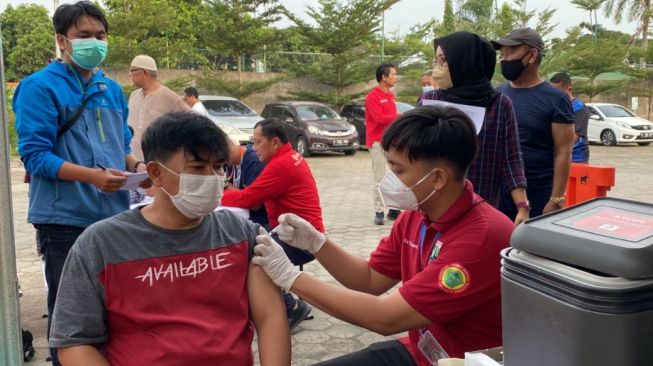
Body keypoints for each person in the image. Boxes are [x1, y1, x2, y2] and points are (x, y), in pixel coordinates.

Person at [253, 106, 515, 365]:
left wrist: (290, 277)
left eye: (398, 170)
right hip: (422, 350)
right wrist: (317, 244)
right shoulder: (417, 213)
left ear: (437, 178)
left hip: (462, 361)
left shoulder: (480, 238)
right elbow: (370, 279)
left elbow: (386, 318)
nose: (390, 179)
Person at [49, 112, 291, 365]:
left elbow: (270, 316)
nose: (212, 178)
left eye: (218, 167)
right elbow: (74, 342)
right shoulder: (101, 245)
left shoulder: (240, 234)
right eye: (197, 168)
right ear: (155, 173)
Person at [12, 2, 145, 364]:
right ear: (62, 40)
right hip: (65, 221)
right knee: (70, 316)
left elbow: (122, 144)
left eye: (100, 36)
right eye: (84, 36)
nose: (94, 43)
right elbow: (35, 156)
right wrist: (92, 177)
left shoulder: (109, 88)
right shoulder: (38, 87)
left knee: (116, 307)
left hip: (115, 216)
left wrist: (141, 167)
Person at [418, 32, 529, 225]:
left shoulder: (499, 105)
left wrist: (522, 204)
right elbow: (412, 154)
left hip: (480, 210)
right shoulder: (429, 101)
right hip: (433, 210)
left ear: (465, 62)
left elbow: (511, 159)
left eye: (444, 61)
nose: (437, 69)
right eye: (436, 61)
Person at [222, 119, 322, 330]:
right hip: (294, 230)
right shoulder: (289, 157)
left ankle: (291, 308)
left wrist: (213, 198)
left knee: (253, 254)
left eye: (258, 143)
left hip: (299, 238)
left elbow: (249, 198)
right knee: (248, 242)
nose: (253, 148)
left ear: (275, 142)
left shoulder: (280, 165)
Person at [492, 27, 575, 218]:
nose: (504, 58)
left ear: (532, 55)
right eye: (502, 53)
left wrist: (555, 199)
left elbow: (564, 152)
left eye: (511, 52)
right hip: (499, 194)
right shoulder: (497, 95)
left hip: (538, 194)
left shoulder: (556, 99)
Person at [128, 54, 190, 160]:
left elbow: (194, 123)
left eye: (133, 70)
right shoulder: (134, 95)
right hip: (132, 162)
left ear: (144, 73)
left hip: (157, 165)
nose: (130, 75)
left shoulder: (170, 97)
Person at [366, 63, 401, 225]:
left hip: (392, 142)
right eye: (393, 74)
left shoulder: (391, 96)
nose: (396, 77)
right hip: (377, 143)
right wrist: (399, 117)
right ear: (383, 77)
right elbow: (379, 118)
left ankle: (394, 209)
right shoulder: (372, 97)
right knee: (379, 178)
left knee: (397, 175)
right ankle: (379, 211)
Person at [226, 142, 269, 227]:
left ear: (228, 148)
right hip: (241, 213)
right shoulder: (232, 162)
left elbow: (255, 205)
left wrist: (226, 185)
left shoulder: (254, 162)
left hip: (258, 220)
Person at [550, 72, 590, 163]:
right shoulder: (554, 106)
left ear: (569, 89)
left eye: (557, 92)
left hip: (576, 158)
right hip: (557, 156)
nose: (553, 95)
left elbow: (576, 136)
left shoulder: (580, 108)